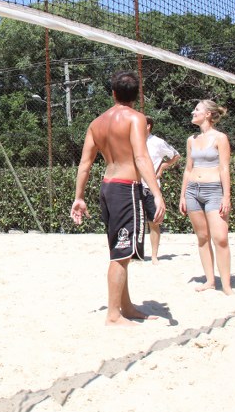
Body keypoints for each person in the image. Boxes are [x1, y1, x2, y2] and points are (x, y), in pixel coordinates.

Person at [70, 71, 166, 326]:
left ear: (113, 93)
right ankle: (113, 315)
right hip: (126, 189)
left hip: (108, 187)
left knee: (119, 250)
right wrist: (157, 194)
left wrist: (79, 197)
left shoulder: (97, 123)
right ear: (137, 95)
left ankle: (126, 306)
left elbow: (85, 164)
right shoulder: (136, 118)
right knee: (121, 255)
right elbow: (141, 157)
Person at [179, 100, 234, 295]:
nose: (192, 112)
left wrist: (226, 196)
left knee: (221, 239)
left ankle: (226, 285)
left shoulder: (220, 138)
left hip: (214, 191)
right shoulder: (191, 140)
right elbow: (188, 169)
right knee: (202, 238)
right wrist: (182, 196)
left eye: (197, 110)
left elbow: (224, 168)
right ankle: (210, 281)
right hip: (193, 191)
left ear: (208, 114)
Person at [143, 116, 180, 264]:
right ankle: (135, 254)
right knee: (134, 222)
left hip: (151, 187)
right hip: (134, 184)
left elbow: (176, 155)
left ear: (148, 126)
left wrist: (163, 166)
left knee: (154, 221)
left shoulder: (157, 142)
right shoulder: (133, 140)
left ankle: (154, 256)